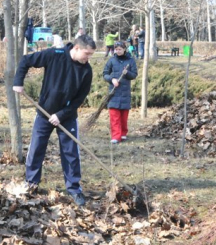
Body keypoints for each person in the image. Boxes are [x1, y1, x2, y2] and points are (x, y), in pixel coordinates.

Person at [13, 35, 96, 206]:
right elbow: (26, 60)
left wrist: (61, 115)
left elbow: (79, 99)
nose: (88, 58)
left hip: (67, 117)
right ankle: (31, 184)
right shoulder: (55, 54)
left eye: (90, 55)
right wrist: (18, 82)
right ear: (77, 48)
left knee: (71, 152)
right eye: (87, 54)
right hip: (44, 112)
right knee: (36, 148)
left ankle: (74, 188)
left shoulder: (86, 71)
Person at [103, 41, 138, 144]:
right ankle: (116, 136)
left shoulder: (130, 61)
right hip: (114, 92)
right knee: (114, 116)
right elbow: (105, 73)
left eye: (120, 49)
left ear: (124, 49)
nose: (118, 51)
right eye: (116, 49)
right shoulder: (111, 60)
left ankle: (123, 133)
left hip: (125, 92)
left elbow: (134, 75)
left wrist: (127, 73)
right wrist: (112, 79)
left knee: (123, 116)